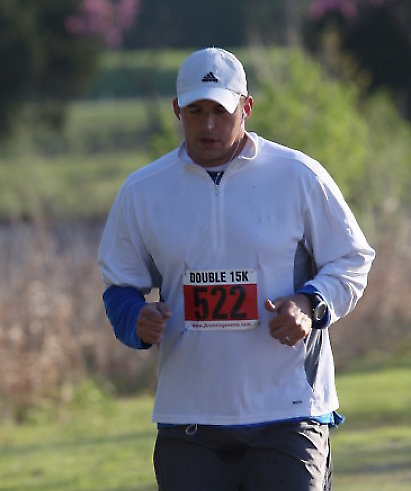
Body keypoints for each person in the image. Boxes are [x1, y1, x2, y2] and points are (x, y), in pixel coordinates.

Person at [98, 47, 375, 491]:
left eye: (220, 111)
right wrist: (137, 318)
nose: (208, 125)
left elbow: (352, 259)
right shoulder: (143, 191)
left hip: (289, 412)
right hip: (190, 417)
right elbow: (119, 285)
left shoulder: (298, 175)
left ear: (246, 108)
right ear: (177, 110)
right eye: (196, 111)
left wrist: (310, 305)